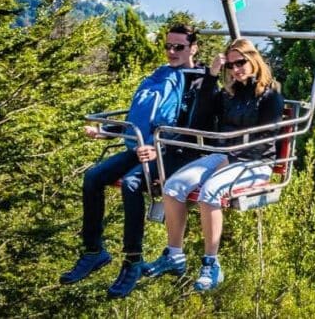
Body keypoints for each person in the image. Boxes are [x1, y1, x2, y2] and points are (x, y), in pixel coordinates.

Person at [59, 24, 208, 299]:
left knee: (130, 182)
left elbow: (192, 125)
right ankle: (94, 250)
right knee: (93, 177)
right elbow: (138, 118)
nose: (172, 52)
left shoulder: (197, 81)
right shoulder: (161, 75)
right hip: (141, 145)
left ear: (193, 48)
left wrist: (158, 148)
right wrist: (106, 131)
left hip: (169, 152)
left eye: (179, 47)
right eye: (168, 46)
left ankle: (132, 260)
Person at [144, 37, 284, 292]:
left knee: (210, 192)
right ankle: (174, 255)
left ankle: (211, 264)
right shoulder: (230, 92)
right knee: (173, 186)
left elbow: (265, 140)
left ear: (253, 60)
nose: (236, 69)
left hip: (256, 162)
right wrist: (211, 76)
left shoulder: (270, 94)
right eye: (230, 65)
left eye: (240, 62)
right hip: (224, 154)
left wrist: (230, 158)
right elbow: (201, 117)